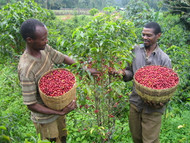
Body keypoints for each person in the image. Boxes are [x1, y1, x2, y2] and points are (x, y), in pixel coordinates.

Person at [18, 19, 99, 143]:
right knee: (51, 140)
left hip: (58, 109)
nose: (47, 41)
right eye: (43, 39)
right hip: (45, 119)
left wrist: (85, 69)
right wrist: (58, 112)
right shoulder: (26, 69)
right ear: (30, 40)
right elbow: (31, 104)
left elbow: (62, 58)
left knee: (63, 137)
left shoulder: (44, 49)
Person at [110, 22, 172, 143]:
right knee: (137, 139)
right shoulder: (135, 50)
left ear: (158, 35)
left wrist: (162, 101)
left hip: (153, 108)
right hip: (135, 103)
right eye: (143, 34)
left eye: (149, 35)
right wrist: (122, 73)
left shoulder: (164, 59)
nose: (144, 37)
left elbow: (168, 85)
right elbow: (129, 73)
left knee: (150, 140)